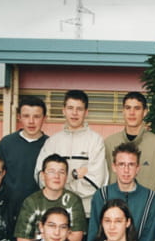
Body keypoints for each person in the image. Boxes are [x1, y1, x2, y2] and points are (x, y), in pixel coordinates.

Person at [35, 90, 108, 218]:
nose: (74, 113)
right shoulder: (52, 141)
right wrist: (74, 175)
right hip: (55, 211)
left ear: (86, 112)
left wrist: (61, 186)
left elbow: (96, 180)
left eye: (79, 109)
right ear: (63, 110)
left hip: (86, 212)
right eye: (70, 108)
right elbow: (41, 176)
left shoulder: (96, 141)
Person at [88, 142, 155, 241]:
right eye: (121, 164)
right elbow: (94, 234)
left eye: (131, 165)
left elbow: (148, 238)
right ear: (114, 167)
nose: (126, 170)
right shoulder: (102, 195)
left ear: (137, 168)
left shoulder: (150, 198)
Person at [105, 91, 155, 200]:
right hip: (115, 207)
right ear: (123, 111)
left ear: (145, 112)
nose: (132, 113)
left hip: (148, 208)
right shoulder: (109, 143)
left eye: (137, 108)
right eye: (128, 108)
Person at [15, 154, 86, 241]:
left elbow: (75, 239)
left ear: (66, 176)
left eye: (61, 172)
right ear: (42, 175)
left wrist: (42, 238)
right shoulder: (31, 202)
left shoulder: (73, 201)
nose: (56, 176)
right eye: (51, 172)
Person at [0, 96, 49, 205]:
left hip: (41, 207)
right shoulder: (7, 143)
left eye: (36, 116)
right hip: (10, 207)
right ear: (19, 117)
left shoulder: (51, 145)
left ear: (44, 118)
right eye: (26, 116)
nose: (31, 121)